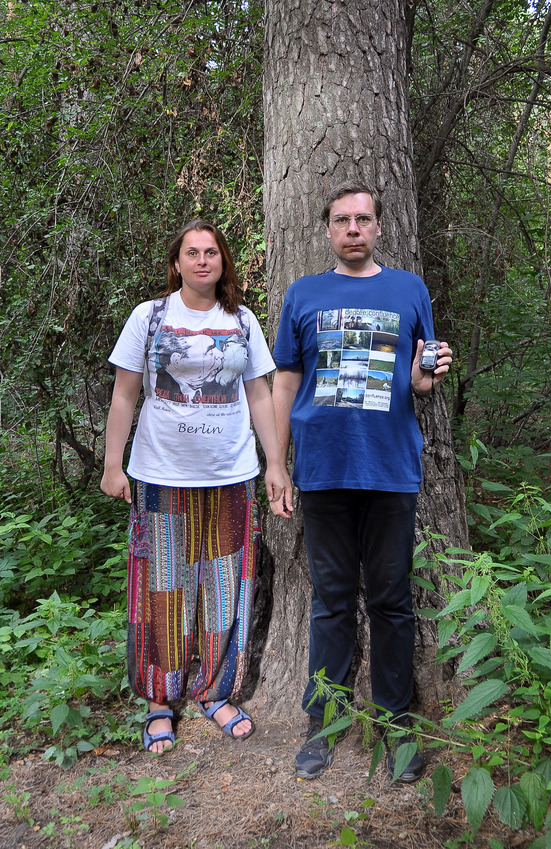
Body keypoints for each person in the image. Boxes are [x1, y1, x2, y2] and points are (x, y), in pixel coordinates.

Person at [271, 180, 453, 781]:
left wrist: (428, 381)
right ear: (327, 229)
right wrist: (277, 463)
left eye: (363, 219)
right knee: (330, 603)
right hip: (323, 470)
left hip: (391, 469)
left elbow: (421, 376)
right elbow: (286, 384)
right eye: (342, 219)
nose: (353, 228)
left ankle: (397, 725)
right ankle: (323, 722)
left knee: (392, 602)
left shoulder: (408, 289)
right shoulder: (303, 293)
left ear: (378, 228)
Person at [101, 219, 285, 754]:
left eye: (211, 252)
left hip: (230, 476)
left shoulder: (243, 321)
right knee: (163, 585)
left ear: (223, 262)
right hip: (161, 475)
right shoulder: (150, 317)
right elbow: (123, 396)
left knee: (225, 589)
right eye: (192, 252)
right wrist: (114, 467)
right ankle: (161, 699)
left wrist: (275, 464)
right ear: (177, 262)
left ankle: (215, 691)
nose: (203, 260)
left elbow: (259, 397)